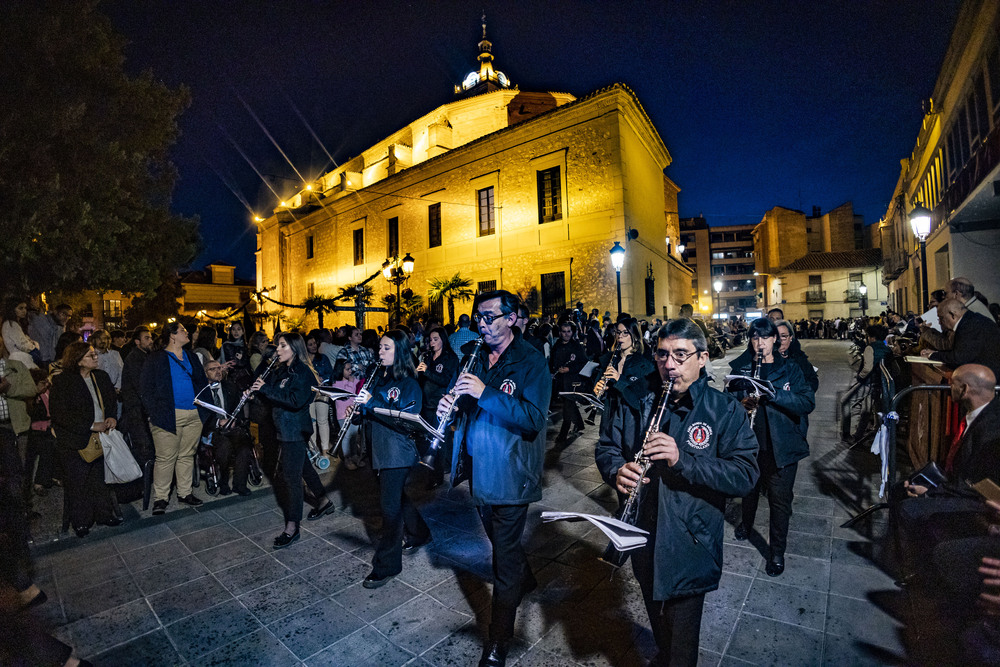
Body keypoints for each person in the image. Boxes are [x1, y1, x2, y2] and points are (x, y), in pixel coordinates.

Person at [596, 318, 758, 666]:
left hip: (691, 542)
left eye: (680, 355)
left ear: (702, 358)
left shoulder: (722, 409)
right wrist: (616, 470)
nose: (669, 365)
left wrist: (682, 460)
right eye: (662, 355)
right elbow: (607, 446)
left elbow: (745, 475)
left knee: (683, 647)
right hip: (641, 533)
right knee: (659, 622)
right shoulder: (635, 398)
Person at [435, 290, 550, 667]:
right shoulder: (475, 356)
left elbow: (533, 418)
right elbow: (466, 402)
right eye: (478, 317)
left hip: (511, 473)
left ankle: (499, 640)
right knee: (504, 544)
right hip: (478, 469)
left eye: (488, 317)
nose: (480, 324)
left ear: (512, 317)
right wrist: (451, 407)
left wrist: (484, 393)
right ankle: (524, 575)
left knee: (502, 557)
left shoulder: (531, 361)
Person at [729, 318, 815, 577]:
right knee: (749, 491)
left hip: (782, 448)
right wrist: (741, 404)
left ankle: (777, 552)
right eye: (755, 338)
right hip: (752, 446)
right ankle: (746, 523)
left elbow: (806, 402)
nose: (760, 343)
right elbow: (729, 406)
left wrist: (776, 395)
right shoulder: (742, 368)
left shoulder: (791, 369)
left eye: (765, 338)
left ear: (774, 340)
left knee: (780, 503)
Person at [353, 329, 430, 588]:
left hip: (397, 452)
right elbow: (370, 409)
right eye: (380, 348)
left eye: (386, 348)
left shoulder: (409, 383)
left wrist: (372, 403)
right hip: (379, 450)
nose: (380, 352)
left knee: (389, 509)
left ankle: (387, 565)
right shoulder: (379, 377)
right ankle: (419, 533)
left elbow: (405, 423)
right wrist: (358, 408)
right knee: (397, 498)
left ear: (399, 352)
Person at [250, 332, 333, 548]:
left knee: (291, 478)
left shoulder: (302, 372)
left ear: (294, 348)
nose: (277, 350)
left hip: (294, 430)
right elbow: (267, 389)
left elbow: (294, 400)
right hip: (283, 428)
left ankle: (292, 527)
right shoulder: (282, 370)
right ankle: (324, 501)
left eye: (282, 346)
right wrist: (255, 390)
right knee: (304, 467)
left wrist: (265, 388)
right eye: (277, 346)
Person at [49, 342, 121, 536]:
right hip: (74, 440)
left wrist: (112, 417)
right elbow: (60, 414)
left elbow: (111, 402)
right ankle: (81, 522)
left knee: (99, 479)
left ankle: (104, 515)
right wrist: (90, 425)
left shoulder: (101, 377)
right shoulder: (63, 382)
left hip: (101, 437)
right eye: (91, 356)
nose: (96, 358)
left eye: (95, 355)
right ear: (78, 360)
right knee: (77, 482)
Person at [140, 322, 207, 515]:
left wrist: (203, 408)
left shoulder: (192, 357)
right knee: (165, 457)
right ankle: (161, 498)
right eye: (184, 330)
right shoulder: (156, 359)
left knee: (187, 455)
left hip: (194, 413)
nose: (188, 333)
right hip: (167, 415)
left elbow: (201, 382)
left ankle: (185, 493)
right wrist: (154, 413)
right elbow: (145, 388)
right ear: (172, 335)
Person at [415, 326, 459, 487]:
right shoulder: (427, 357)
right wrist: (418, 372)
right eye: (430, 340)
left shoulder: (450, 358)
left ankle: (437, 476)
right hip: (425, 405)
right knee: (426, 440)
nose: (432, 343)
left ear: (443, 340)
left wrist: (427, 371)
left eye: (435, 339)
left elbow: (446, 380)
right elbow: (422, 381)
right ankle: (429, 470)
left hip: (440, 407)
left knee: (439, 441)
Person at [920, 298, 1000, 380]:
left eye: (941, 318)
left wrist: (932, 355)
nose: (940, 322)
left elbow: (959, 358)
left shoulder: (969, 325)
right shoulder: (970, 320)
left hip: (987, 380)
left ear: (952, 315)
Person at [593, 317, 655, 417]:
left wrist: (619, 378)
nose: (620, 336)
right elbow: (597, 386)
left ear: (634, 336)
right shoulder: (609, 360)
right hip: (610, 417)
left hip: (631, 419)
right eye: (618, 332)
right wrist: (597, 389)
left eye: (625, 333)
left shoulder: (643, 365)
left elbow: (642, 399)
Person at [550, 322, 589, 442]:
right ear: (560, 332)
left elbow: (583, 363)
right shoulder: (557, 345)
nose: (566, 334)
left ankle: (563, 434)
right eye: (563, 331)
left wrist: (569, 369)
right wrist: (555, 369)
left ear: (572, 332)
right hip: (560, 381)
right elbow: (552, 360)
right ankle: (579, 424)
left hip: (572, 382)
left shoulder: (576, 346)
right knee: (569, 404)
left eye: (568, 331)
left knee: (567, 406)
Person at [331, 360, 366, 469]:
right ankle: (347, 458)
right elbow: (346, 395)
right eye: (347, 369)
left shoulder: (353, 380)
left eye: (351, 368)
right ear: (340, 370)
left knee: (354, 436)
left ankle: (355, 455)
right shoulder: (336, 383)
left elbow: (359, 389)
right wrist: (351, 383)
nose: (350, 371)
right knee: (346, 437)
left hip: (354, 413)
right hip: (343, 414)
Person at [305, 332, 334, 459]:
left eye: (314, 343)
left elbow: (330, 374)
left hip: (322, 392)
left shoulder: (323, 358)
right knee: (312, 421)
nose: (313, 346)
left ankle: (325, 450)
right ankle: (313, 450)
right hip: (309, 393)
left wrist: (324, 379)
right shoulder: (303, 361)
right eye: (310, 344)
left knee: (323, 421)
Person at [774, 319, 819, 392]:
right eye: (776, 336)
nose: (780, 340)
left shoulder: (799, 357)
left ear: (790, 338)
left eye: (784, 336)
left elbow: (813, 381)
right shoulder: (766, 358)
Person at [27, 303, 72, 368]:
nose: (66, 318)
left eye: (69, 316)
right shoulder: (41, 320)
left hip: (50, 361)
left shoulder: (59, 327)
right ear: (55, 311)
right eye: (63, 314)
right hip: (38, 360)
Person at [2, 299, 40, 370]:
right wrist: (34, 347)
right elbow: (22, 344)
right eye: (20, 308)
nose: (24, 311)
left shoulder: (16, 324)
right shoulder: (11, 325)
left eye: (25, 308)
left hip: (22, 358)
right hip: (21, 360)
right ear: (12, 309)